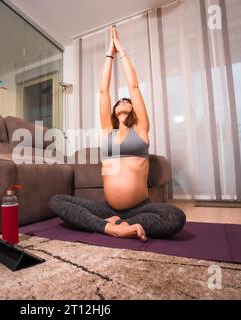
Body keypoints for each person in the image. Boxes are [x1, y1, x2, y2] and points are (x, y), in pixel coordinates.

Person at [49, 25, 186, 241]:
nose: (123, 100)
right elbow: (103, 90)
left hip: (139, 209)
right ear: (113, 110)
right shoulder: (107, 131)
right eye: (119, 101)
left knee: (176, 216)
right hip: (108, 209)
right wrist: (108, 55)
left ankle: (118, 225)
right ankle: (111, 227)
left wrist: (121, 51)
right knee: (57, 201)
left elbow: (134, 87)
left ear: (133, 109)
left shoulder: (140, 129)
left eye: (127, 101)